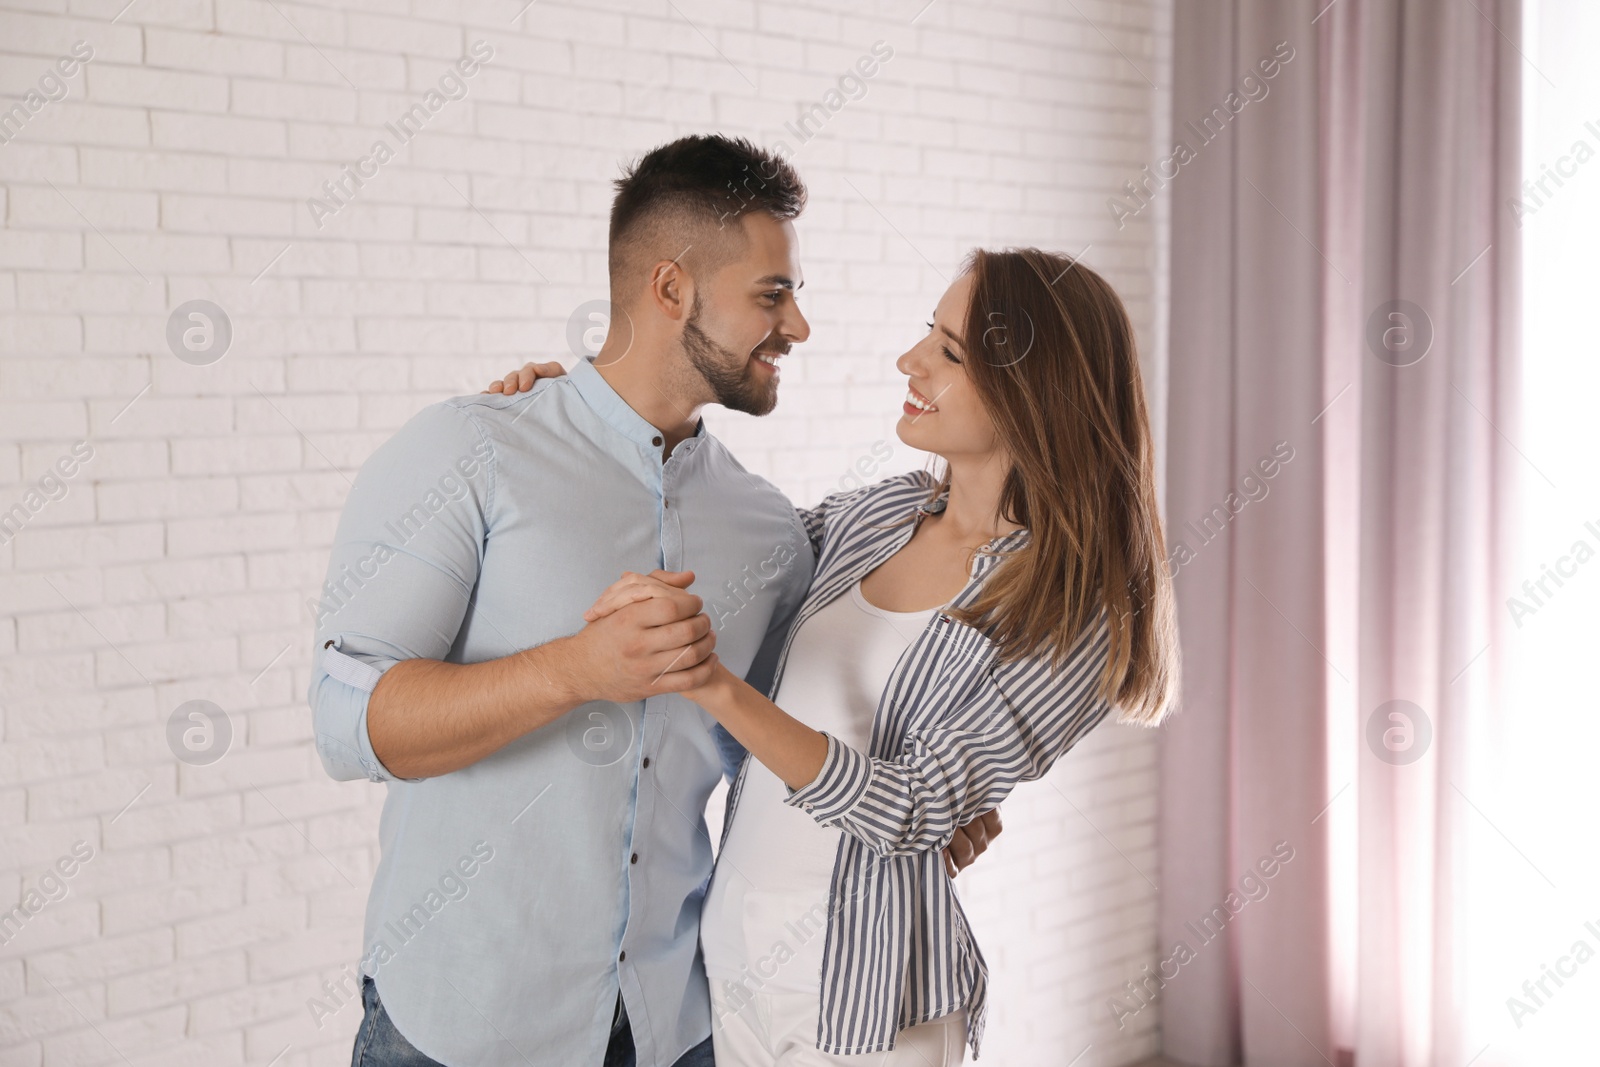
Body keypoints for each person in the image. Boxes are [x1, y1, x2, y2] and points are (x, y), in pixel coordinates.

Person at [310, 134, 997, 1067]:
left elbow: (789, 740)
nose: (798, 327)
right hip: (457, 1030)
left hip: (677, 1028)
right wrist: (574, 669)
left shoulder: (768, 531)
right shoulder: (468, 452)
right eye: (772, 294)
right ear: (670, 290)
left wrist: (927, 806)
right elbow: (351, 724)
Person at [486, 245, 1181, 1064]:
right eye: (930, 331)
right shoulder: (881, 514)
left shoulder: (1072, 612)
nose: (910, 360)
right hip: (730, 957)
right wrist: (577, 427)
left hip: (873, 999)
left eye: (950, 353)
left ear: (1037, 392)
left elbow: (908, 807)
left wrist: (712, 685)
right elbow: (718, 544)